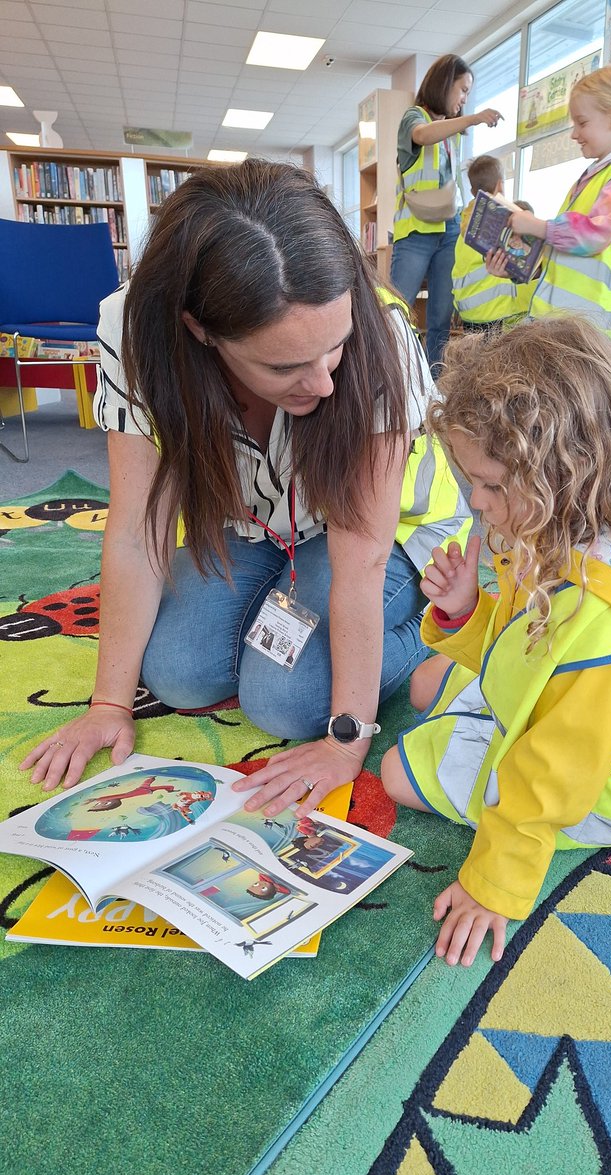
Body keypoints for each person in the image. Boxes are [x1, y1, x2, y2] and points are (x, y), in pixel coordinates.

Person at [21, 160, 470, 817]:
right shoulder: (134, 333)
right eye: (284, 364)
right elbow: (136, 530)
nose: (321, 384)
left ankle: (450, 631)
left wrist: (348, 741)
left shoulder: (386, 340)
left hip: (394, 535)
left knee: (287, 702)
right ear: (200, 331)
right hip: (262, 527)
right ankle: (283, 614)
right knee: (175, 670)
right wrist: (108, 705)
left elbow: (362, 559)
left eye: (334, 348)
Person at [380, 317, 611, 966]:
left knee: (398, 772)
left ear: (555, 471)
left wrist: (496, 885)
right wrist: (465, 613)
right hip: (567, 696)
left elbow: (555, 772)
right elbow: (532, 632)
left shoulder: (610, 621)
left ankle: (476, 746)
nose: (476, 502)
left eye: (489, 485)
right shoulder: (594, 506)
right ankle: (467, 699)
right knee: (429, 679)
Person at [489, 65, 611, 340]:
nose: (574, 134)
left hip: (584, 332)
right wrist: (515, 267)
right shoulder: (593, 177)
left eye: (582, 123)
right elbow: (565, 260)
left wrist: (537, 226)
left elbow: (594, 235)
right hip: (562, 326)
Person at [390, 54, 503, 374]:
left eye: (468, 93)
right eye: (462, 89)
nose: (465, 99)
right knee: (394, 312)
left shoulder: (451, 134)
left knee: (439, 319)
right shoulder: (414, 117)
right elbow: (423, 136)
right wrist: (473, 118)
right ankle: (391, 378)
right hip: (415, 232)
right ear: (444, 84)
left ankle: (433, 389)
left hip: (448, 230)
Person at [451, 155, 531, 336]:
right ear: (500, 185)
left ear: (472, 191)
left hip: (469, 312)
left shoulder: (465, 225)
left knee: (477, 359)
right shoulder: (500, 218)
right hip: (495, 311)